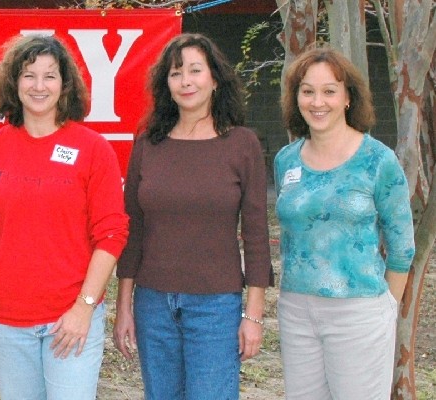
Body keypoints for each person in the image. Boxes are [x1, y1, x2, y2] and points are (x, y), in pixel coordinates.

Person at [0, 35, 129, 400]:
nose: (39, 86)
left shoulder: (93, 149)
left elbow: (111, 234)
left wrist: (84, 307)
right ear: (14, 82)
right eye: (29, 75)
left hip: (70, 317)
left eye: (50, 76)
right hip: (6, 318)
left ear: (65, 84)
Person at [112, 33, 274, 400]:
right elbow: (132, 230)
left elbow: (256, 234)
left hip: (216, 306)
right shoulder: (148, 144)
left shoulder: (242, 144)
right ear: (165, 84)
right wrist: (124, 307)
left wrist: (253, 315)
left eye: (195, 71)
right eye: (175, 73)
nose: (185, 81)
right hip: (153, 304)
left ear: (215, 79)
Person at [274, 46, 415, 400]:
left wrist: (385, 309)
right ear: (296, 98)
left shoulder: (377, 161)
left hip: (358, 313)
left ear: (348, 98)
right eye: (307, 91)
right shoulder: (286, 160)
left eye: (329, 91)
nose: (317, 101)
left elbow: (402, 247)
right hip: (296, 312)